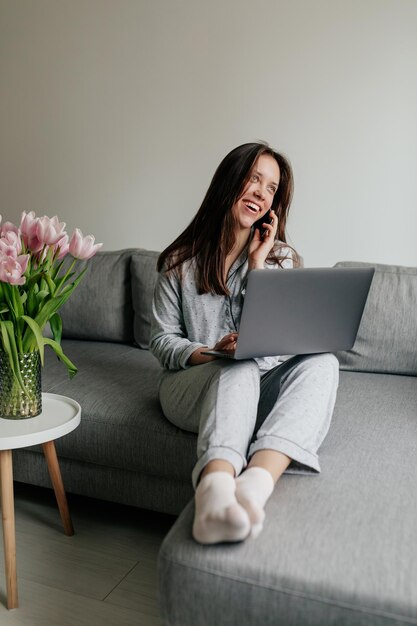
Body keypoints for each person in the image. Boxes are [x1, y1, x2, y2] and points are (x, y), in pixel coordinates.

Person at [150, 141, 339, 544]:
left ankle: (255, 485)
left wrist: (258, 267)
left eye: (270, 188)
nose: (260, 192)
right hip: (194, 385)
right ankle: (215, 494)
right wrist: (214, 352)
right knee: (239, 365)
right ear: (229, 181)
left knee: (323, 362)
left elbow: (286, 343)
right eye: (253, 178)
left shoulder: (281, 259)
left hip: (258, 384)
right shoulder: (179, 262)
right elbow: (162, 340)